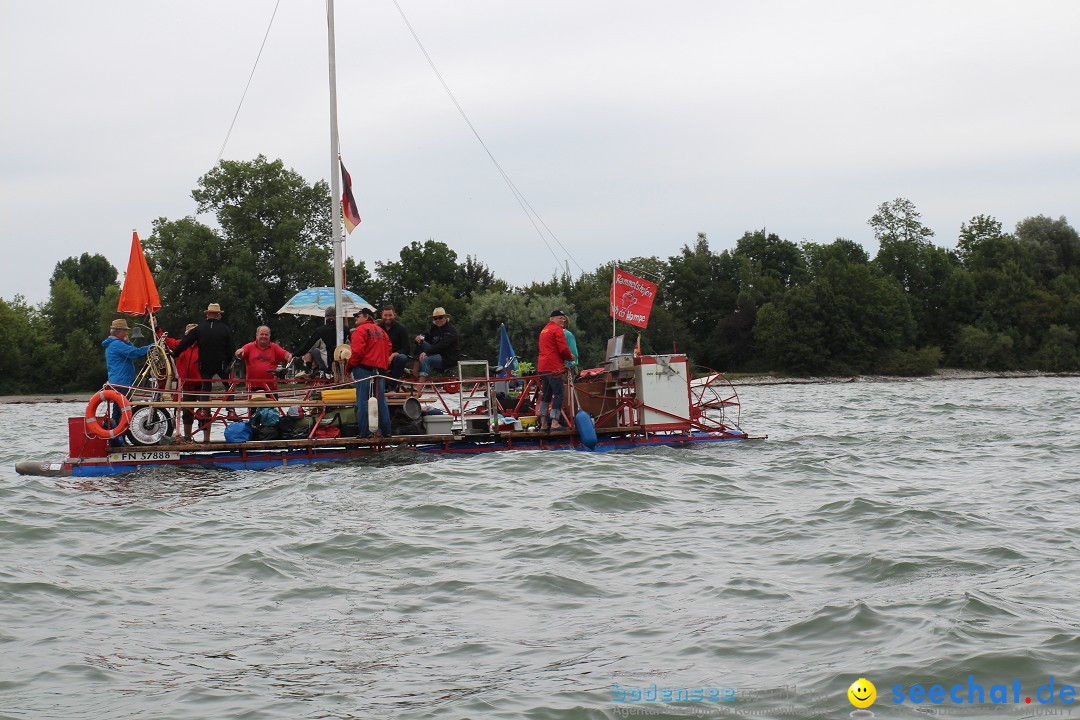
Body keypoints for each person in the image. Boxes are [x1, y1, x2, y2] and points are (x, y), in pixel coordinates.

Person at [101, 318, 151, 445]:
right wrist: (152, 347)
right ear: (119, 332)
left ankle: (117, 438)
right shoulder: (117, 344)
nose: (126, 333)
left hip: (118, 382)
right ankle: (118, 439)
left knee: (118, 411)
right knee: (122, 412)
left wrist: (128, 342)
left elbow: (132, 350)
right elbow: (135, 353)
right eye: (125, 331)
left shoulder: (115, 344)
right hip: (122, 383)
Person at [347, 307, 391, 437]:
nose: (355, 318)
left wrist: (350, 366)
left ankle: (366, 433)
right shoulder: (382, 332)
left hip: (364, 370)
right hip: (380, 372)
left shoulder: (359, 331)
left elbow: (357, 352)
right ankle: (386, 432)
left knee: (363, 401)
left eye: (358, 316)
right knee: (381, 401)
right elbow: (388, 350)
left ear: (366, 317)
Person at [163, 323, 209, 442]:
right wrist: (157, 328)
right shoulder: (180, 345)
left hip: (202, 385)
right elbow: (166, 340)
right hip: (186, 385)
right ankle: (188, 437)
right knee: (187, 412)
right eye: (189, 334)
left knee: (206, 412)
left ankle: (206, 440)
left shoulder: (204, 346)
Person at [536, 309, 575, 431]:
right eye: (560, 318)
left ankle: (543, 423)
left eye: (563, 318)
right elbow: (563, 349)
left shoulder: (544, 330)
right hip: (554, 368)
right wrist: (570, 357)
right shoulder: (557, 330)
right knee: (559, 394)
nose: (562, 320)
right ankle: (554, 422)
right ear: (552, 319)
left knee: (546, 395)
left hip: (543, 367)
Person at [235, 325, 292, 394]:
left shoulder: (275, 347)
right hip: (253, 386)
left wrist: (289, 356)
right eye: (262, 334)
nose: (264, 336)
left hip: (271, 387)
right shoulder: (249, 346)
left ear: (269, 336)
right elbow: (241, 352)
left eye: (266, 334)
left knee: (272, 405)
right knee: (254, 405)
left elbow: (285, 354)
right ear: (257, 335)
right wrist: (239, 352)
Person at [292, 306, 343, 378]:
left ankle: (309, 370)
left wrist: (294, 355)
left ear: (325, 317)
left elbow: (307, 346)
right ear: (335, 317)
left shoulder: (320, 331)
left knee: (311, 349)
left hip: (328, 368)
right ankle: (314, 370)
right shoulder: (344, 330)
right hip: (343, 367)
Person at [412, 307, 460, 380]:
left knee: (426, 359)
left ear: (445, 318)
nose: (438, 320)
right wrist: (418, 338)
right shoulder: (434, 328)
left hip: (447, 358)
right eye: (435, 318)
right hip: (437, 353)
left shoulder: (450, 330)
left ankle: (418, 387)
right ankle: (414, 371)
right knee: (420, 342)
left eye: (440, 318)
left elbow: (442, 345)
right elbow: (425, 335)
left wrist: (426, 352)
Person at [379, 305, 411, 381]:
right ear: (382, 316)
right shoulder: (377, 328)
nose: (388, 318)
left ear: (394, 315)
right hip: (380, 358)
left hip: (395, 359)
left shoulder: (401, 329)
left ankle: (393, 385)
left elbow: (406, 349)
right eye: (385, 315)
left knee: (402, 358)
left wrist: (393, 355)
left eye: (390, 315)